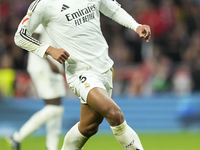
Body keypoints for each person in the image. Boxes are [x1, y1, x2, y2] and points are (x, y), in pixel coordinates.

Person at [14, 0, 151, 149]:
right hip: (81, 72)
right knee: (114, 114)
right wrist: (49, 49)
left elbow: (113, 9)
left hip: (105, 67)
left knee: (89, 127)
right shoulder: (44, 4)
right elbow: (20, 36)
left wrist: (136, 26)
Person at [6, 25, 67, 150]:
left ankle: (52, 147)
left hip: (52, 65)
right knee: (55, 108)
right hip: (43, 66)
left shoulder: (57, 14)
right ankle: (17, 137)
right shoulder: (44, 12)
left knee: (56, 107)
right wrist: (49, 62)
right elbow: (34, 40)